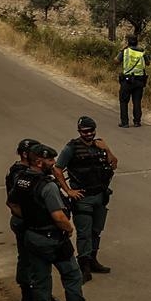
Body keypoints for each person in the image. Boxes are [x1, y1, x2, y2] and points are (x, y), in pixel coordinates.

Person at [20, 143, 106, 301]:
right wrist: (68, 228)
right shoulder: (47, 186)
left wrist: (31, 220)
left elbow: (13, 204)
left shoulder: (21, 179)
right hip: (52, 238)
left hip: (32, 236)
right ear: (40, 162)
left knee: (41, 279)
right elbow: (58, 216)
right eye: (50, 160)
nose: (53, 163)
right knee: (72, 276)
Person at [4, 138, 64, 301]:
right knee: (34, 263)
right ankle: (38, 298)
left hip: (23, 220)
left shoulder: (19, 171)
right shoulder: (22, 174)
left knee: (27, 258)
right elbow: (16, 201)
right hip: (27, 222)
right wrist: (31, 217)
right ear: (25, 154)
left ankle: (31, 295)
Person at [56, 115, 118, 278]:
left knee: (96, 231)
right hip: (82, 198)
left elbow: (114, 164)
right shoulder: (72, 148)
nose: (88, 134)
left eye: (91, 131)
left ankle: (92, 261)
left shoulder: (100, 146)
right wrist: (68, 190)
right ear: (79, 132)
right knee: (84, 234)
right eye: (84, 132)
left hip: (100, 195)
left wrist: (107, 149)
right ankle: (84, 267)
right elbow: (57, 169)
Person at [118, 34, 147, 127]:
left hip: (127, 80)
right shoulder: (142, 52)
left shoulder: (125, 51)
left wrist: (121, 50)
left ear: (128, 42)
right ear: (137, 42)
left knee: (123, 102)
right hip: (139, 80)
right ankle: (137, 122)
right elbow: (148, 63)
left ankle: (125, 122)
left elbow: (116, 61)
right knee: (137, 101)